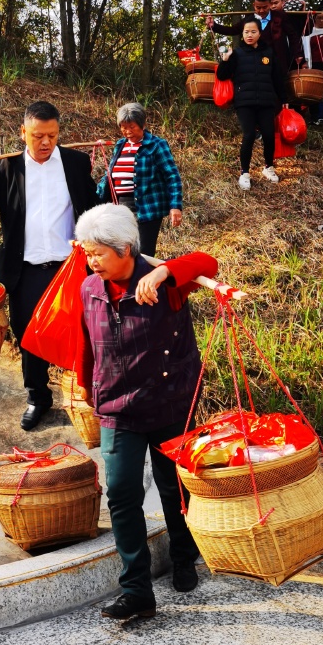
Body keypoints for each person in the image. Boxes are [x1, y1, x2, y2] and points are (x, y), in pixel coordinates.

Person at [74, 203, 219, 619]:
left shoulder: (167, 286)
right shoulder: (89, 288)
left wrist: (163, 270)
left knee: (173, 487)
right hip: (117, 410)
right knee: (121, 493)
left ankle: (183, 556)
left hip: (169, 403)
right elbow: (88, 343)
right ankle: (136, 590)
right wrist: (87, 385)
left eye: (97, 253)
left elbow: (207, 262)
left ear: (125, 249)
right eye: (87, 253)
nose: (91, 261)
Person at [0, 100, 98, 431]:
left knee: (83, 332)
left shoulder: (76, 163)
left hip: (69, 268)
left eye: (52, 135)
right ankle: (38, 397)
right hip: (26, 270)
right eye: (38, 135)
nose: (45, 143)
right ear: (23, 132)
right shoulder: (8, 168)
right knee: (28, 336)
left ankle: (87, 397)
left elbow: (95, 206)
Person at [97, 102, 183, 258]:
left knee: (143, 253)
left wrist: (175, 206)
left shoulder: (156, 145)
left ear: (143, 125)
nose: (127, 131)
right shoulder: (120, 145)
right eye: (123, 127)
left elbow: (172, 176)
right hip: (121, 208)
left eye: (132, 127)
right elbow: (110, 174)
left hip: (146, 208)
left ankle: (145, 281)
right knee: (123, 252)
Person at [216, 16, 287, 190]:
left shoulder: (269, 53)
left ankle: (268, 167)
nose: (249, 35)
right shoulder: (237, 53)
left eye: (253, 31)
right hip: (244, 102)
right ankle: (244, 173)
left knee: (269, 135)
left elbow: (277, 78)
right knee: (248, 135)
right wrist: (225, 60)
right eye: (246, 32)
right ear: (242, 33)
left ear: (259, 33)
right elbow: (222, 75)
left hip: (266, 101)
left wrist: (284, 100)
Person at [200, 0, 272, 44]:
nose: (261, 11)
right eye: (258, 8)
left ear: (270, 5)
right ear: (254, 5)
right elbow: (232, 30)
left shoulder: (279, 18)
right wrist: (214, 26)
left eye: (265, 7)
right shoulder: (249, 19)